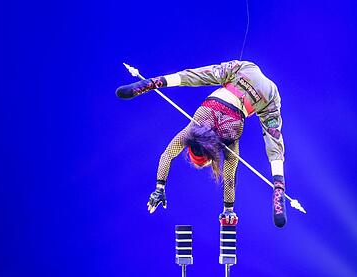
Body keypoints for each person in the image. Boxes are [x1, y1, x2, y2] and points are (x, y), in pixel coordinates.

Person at [116, 60, 288, 228]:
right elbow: (167, 154)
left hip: (236, 118)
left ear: (209, 157)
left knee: (269, 140)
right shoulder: (193, 130)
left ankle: (279, 186)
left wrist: (229, 210)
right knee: (201, 76)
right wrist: (158, 188)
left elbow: (229, 179)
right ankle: (155, 82)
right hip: (228, 90)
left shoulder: (224, 142)